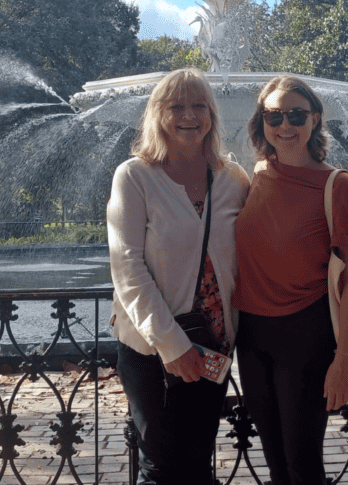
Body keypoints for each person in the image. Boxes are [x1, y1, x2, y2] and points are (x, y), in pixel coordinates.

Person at [107, 67, 249, 485]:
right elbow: (127, 265)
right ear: (158, 114)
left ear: (212, 115)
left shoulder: (233, 179)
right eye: (177, 106)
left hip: (213, 345)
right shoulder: (135, 176)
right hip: (153, 349)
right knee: (160, 467)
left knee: (198, 462)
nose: (189, 115)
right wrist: (172, 346)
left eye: (199, 106)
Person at [233, 76, 348, 485]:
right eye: (274, 116)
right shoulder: (259, 173)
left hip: (306, 334)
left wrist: (344, 360)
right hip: (252, 333)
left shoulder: (339, 185)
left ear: (315, 119)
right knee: (276, 462)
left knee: (303, 464)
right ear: (262, 121)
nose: (285, 125)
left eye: (296, 115)